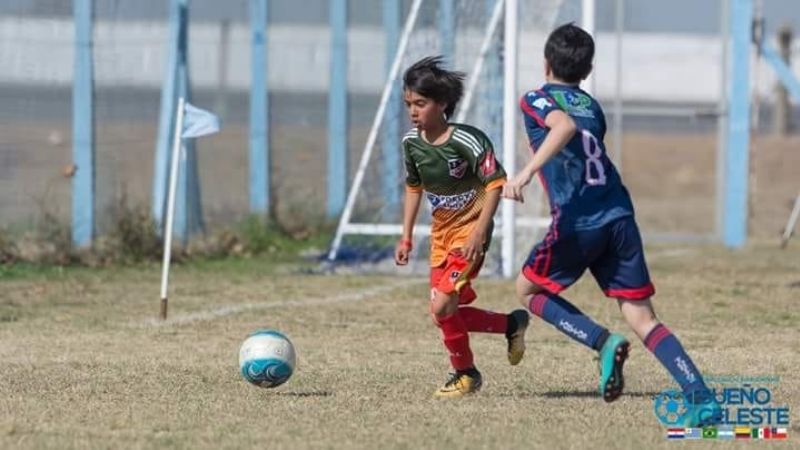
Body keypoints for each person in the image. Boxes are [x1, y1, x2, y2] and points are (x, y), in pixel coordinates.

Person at [503, 24, 720, 425]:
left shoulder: (534, 97)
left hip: (580, 218)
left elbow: (563, 128)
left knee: (527, 289)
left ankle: (602, 342)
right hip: (619, 212)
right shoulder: (591, 105)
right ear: (587, 71)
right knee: (643, 318)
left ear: (546, 63)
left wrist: (525, 174)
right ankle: (701, 398)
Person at [395, 56, 529, 398]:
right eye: (409, 103)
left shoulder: (468, 141)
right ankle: (511, 324)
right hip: (441, 239)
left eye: (420, 104)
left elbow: (496, 183)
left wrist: (479, 233)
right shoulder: (411, 143)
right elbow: (414, 187)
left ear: (442, 104)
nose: (413, 111)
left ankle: (466, 374)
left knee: (441, 307)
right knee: (445, 312)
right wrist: (407, 236)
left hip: (469, 235)